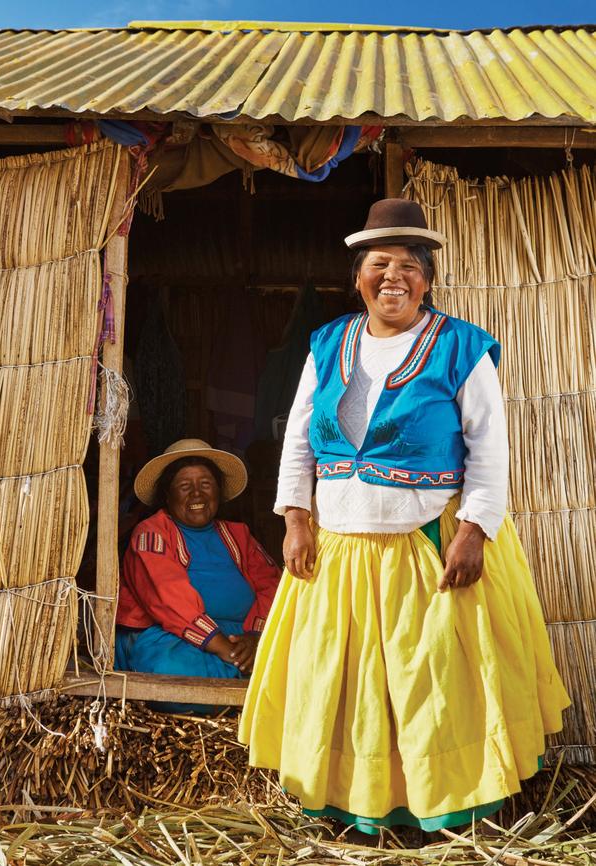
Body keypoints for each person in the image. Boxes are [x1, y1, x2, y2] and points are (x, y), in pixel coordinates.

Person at [239, 199, 570, 835]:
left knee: (434, 686)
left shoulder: (460, 348)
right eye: (379, 264)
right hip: (339, 554)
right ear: (356, 276)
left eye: (409, 266)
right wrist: (297, 520)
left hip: (428, 546)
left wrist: (474, 531)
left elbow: (489, 448)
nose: (393, 277)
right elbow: (301, 440)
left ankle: (440, 808)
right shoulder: (327, 343)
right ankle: (353, 805)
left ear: (428, 279)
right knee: (345, 685)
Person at [116, 438, 281, 710]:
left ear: (218, 492)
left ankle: (243, 679)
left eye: (206, 484)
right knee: (166, 670)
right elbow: (167, 596)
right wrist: (223, 649)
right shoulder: (151, 534)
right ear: (167, 497)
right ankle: (251, 683)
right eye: (184, 486)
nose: (197, 494)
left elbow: (271, 584)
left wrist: (255, 638)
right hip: (170, 639)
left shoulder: (239, 535)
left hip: (239, 639)